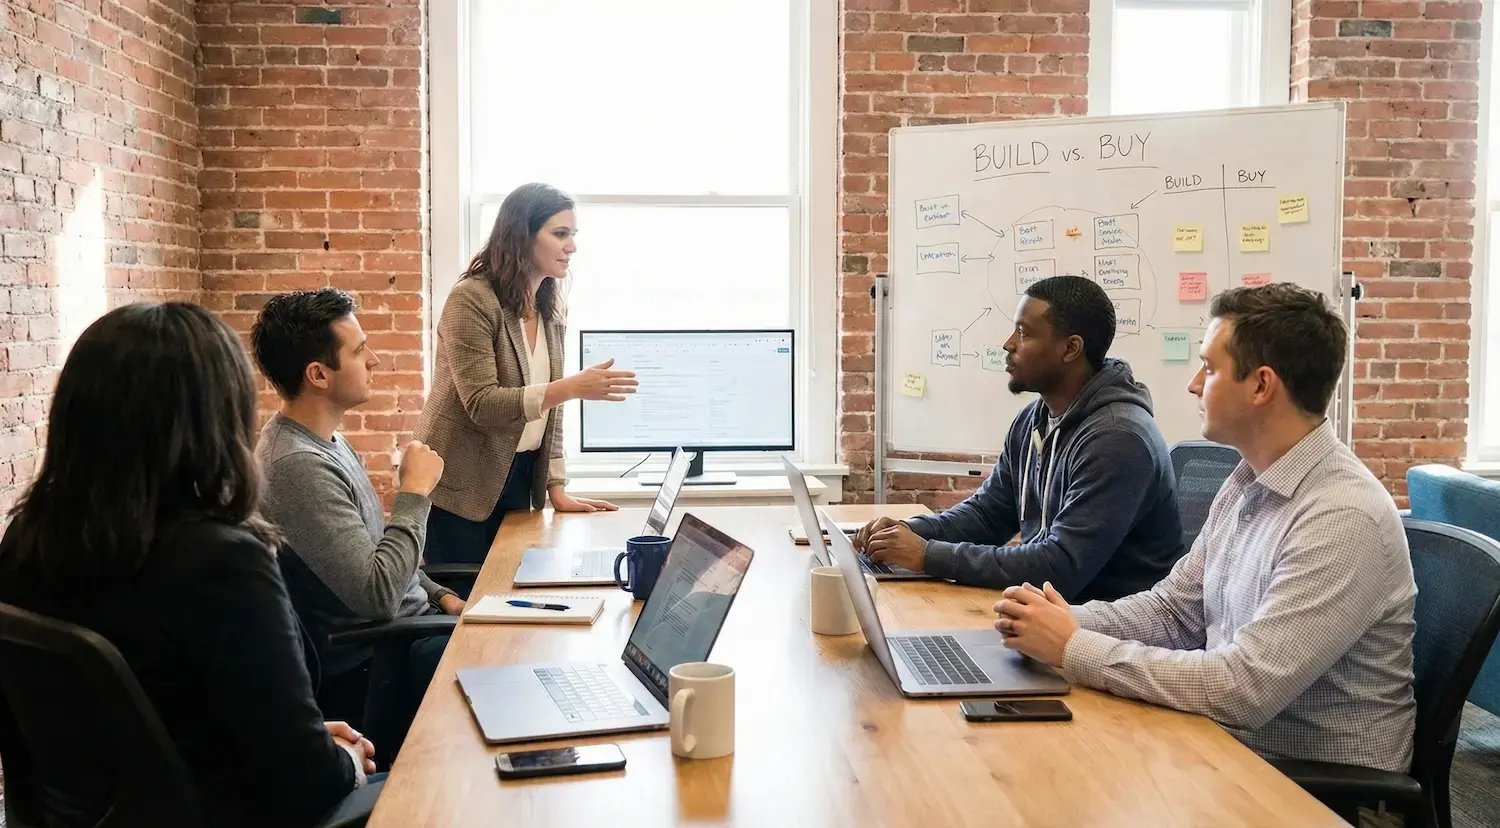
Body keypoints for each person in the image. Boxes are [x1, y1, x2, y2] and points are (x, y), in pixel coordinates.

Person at [994, 283, 1417, 773]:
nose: (1194, 384)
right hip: (1226, 748)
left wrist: (1074, 646)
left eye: (1210, 368)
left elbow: (1244, 688)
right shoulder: (1247, 480)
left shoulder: (1341, 517)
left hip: (1316, 787)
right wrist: (1055, 622)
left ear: (1261, 386)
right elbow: (1176, 611)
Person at [0, 303, 375, 827]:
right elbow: (305, 787)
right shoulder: (223, 562)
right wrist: (341, 760)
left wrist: (305, 740)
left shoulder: (23, 542)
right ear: (214, 419)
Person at [854, 275, 1183, 601]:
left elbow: (1058, 568)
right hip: (1048, 617)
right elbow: (989, 514)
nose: (1008, 344)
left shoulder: (1118, 440)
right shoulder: (1034, 419)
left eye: (1024, 333)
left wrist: (928, 555)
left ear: (1071, 348)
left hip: (1104, 633)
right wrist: (908, 532)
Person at [250, 288, 457, 742]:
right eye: (360, 351)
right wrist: (415, 491)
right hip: (377, 661)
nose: (375, 361)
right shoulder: (297, 465)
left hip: (412, 628)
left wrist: (441, 594)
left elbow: (374, 547)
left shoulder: (327, 441)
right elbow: (377, 594)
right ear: (319, 374)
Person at [417, 182, 638, 563]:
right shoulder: (471, 299)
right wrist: (568, 388)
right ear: (522, 237)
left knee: (511, 595)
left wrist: (556, 486)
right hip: (460, 483)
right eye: (560, 234)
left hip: (519, 476)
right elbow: (482, 404)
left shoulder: (549, 304)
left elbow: (551, 411)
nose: (572, 246)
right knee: (468, 606)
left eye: (573, 235)